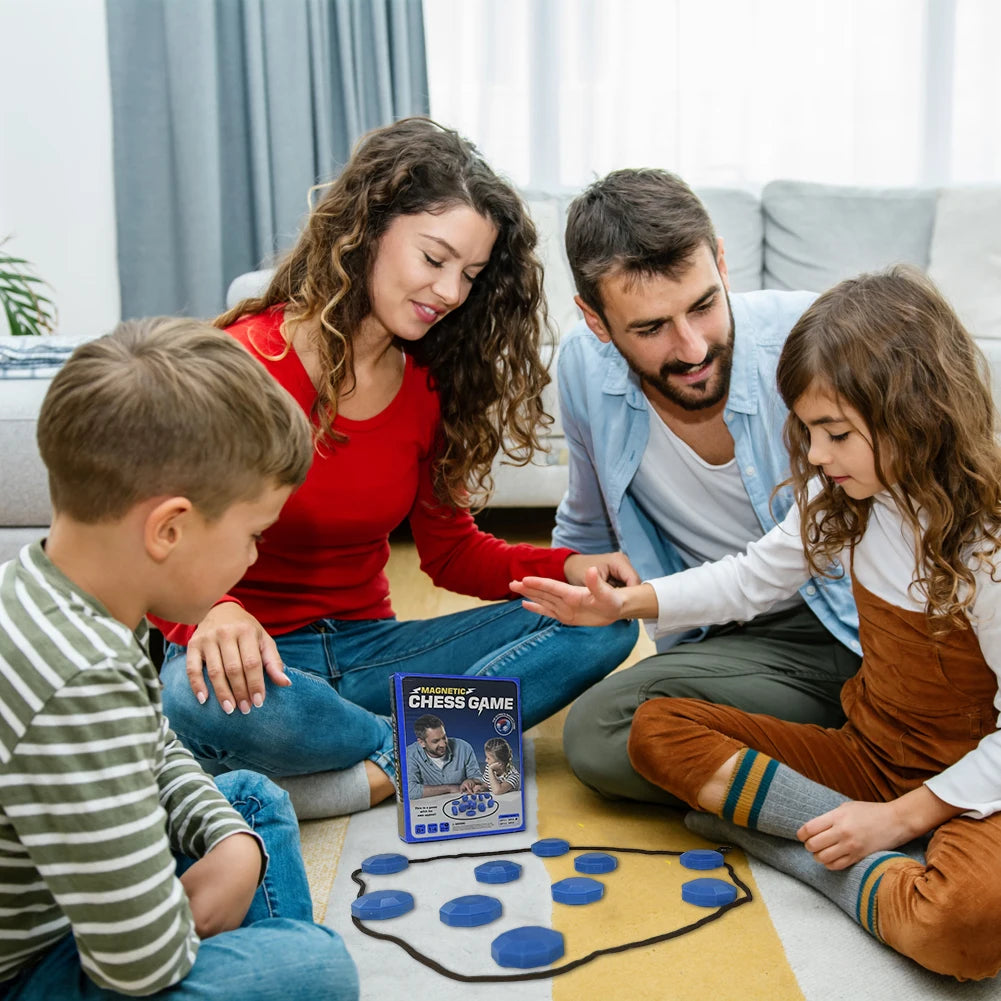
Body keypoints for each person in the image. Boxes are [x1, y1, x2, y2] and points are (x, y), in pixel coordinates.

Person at [517, 268, 1001, 980]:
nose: (813, 455)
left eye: (833, 433)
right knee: (656, 730)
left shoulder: (983, 543)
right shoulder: (844, 495)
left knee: (963, 928)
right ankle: (847, 837)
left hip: (970, 784)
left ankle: (798, 843)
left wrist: (903, 818)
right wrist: (627, 602)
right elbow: (749, 576)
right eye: (805, 431)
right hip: (870, 757)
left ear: (913, 416)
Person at [156, 118, 638, 821]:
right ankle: (429, 753)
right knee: (189, 697)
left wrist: (568, 567)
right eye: (433, 258)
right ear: (368, 228)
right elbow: (150, 532)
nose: (448, 291)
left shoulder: (427, 383)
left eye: (469, 275)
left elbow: (450, 551)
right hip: (251, 659)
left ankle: (371, 768)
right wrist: (211, 611)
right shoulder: (243, 362)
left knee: (605, 626)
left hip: (371, 653)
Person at [0, 319, 357, 1000]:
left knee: (249, 803)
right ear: (169, 528)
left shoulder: (60, 587)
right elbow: (137, 965)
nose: (253, 558)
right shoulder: (78, 681)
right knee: (317, 968)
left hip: (73, 904)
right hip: (35, 968)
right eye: (254, 535)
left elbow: (155, 741)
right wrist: (181, 922)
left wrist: (232, 846)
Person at [534, 168, 860, 806]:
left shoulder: (809, 340)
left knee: (630, 738)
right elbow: (586, 534)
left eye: (704, 306)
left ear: (721, 264)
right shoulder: (582, 367)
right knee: (601, 737)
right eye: (650, 328)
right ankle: (851, 771)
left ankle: (821, 787)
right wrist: (561, 595)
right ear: (596, 321)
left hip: (855, 630)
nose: (691, 348)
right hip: (733, 641)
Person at [405, 715, 483, 799]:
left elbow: (478, 778)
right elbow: (410, 791)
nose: (443, 744)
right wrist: (449, 788)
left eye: (444, 737)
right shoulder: (410, 754)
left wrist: (471, 781)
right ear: (421, 743)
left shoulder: (464, 747)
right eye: (435, 741)